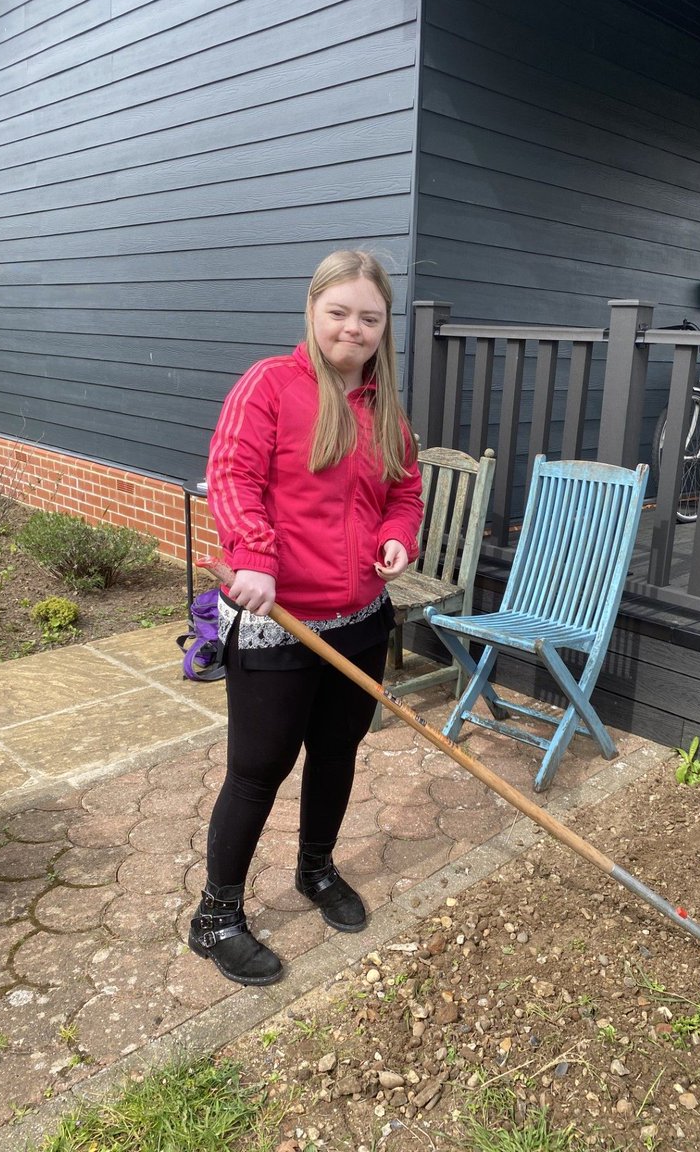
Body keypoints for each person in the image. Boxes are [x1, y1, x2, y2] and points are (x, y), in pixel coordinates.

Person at [189, 250, 423, 987]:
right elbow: (232, 475)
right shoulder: (270, 385)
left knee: (337, 752)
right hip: (278, 620)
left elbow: (404, 492)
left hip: (360, 617)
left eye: (370, 317)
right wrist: (253, 554)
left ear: (385, 327)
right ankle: (216, 916)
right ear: (314, 310)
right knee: (259, 769)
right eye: (340, 312)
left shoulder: (386, 406)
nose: (353, 328)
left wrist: (398, 538)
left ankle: (315, 871)